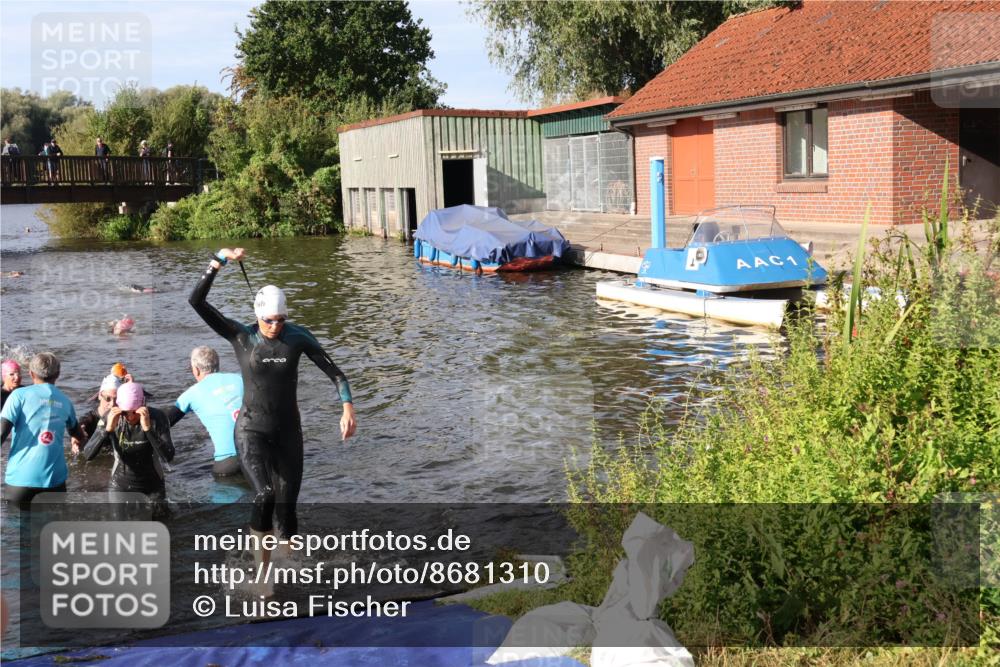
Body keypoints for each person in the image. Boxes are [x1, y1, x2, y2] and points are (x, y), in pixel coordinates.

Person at [189, 248, 356, 563]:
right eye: (269, 320)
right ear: (257, 315)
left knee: (287, 509)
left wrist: (347, 407)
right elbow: (196, 302)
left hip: (288, 434)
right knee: (265, 495)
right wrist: (218, 260)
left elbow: (336, 374)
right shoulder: (241, 337)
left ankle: (289, 570)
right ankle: (263, 572)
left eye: (281, 320)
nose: (275, 326)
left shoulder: (298, 338)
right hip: (251, 430)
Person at [0, 353, 86, 505]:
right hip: (54, 482)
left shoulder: (18, 396)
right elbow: (78, 435)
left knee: (16, 527)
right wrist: (77, 440)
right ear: (58, 374)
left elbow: (1, 433)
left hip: (20, 482)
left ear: (31, 374)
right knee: (51, 527)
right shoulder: (65, 401)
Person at [83, 381, 174, 503]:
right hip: (120, 485)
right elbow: (87, 455)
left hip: (153, 486)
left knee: (161, 521)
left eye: (135, 412)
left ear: (143, 404)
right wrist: (107, 430)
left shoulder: (157, 417)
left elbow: (168, 457)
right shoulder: (110, 417)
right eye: (125, 413)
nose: (130, 417)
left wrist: (148, 429)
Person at [165, 346, 244, 477]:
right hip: (260, 454)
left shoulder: (191, 394)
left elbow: (164, 422)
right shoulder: (241, 378)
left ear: (195, 370)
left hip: (228, 464)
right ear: (218, 364)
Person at [74, 374, 123, 452]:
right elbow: (82, 424)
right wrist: (76, 435)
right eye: (108, 398)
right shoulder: (90, 418)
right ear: (100, 396)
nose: (112, 404)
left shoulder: (125, 417)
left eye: (117, 399)